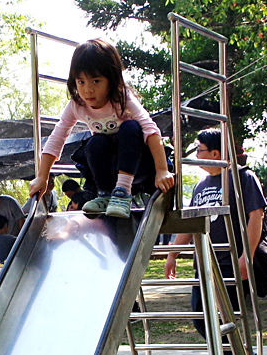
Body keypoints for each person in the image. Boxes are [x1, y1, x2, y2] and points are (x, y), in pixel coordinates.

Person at [163, 129, 265, 355]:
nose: (196, 156)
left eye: (199, 150)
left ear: (216, 154)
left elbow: (256, 216)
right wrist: (173, 253)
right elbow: (190, 223)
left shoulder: (243, 178)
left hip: (230, 265)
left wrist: (248, 256)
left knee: (225, 322)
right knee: (203, 322)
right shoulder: (200, 186)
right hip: (204, 265)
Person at [29, 38, 175, 219]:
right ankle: (105, 194)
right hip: (110, 166)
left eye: (96, 81)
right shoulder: (77, 104)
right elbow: (57, 138)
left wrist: (162, 170)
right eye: (81, 82)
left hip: (137, 162)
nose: (88, 90)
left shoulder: (121, 98)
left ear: (111, 79)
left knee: (130, 127)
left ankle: (122, 193)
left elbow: (150, 129)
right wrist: (42, 177)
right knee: (95, 142)